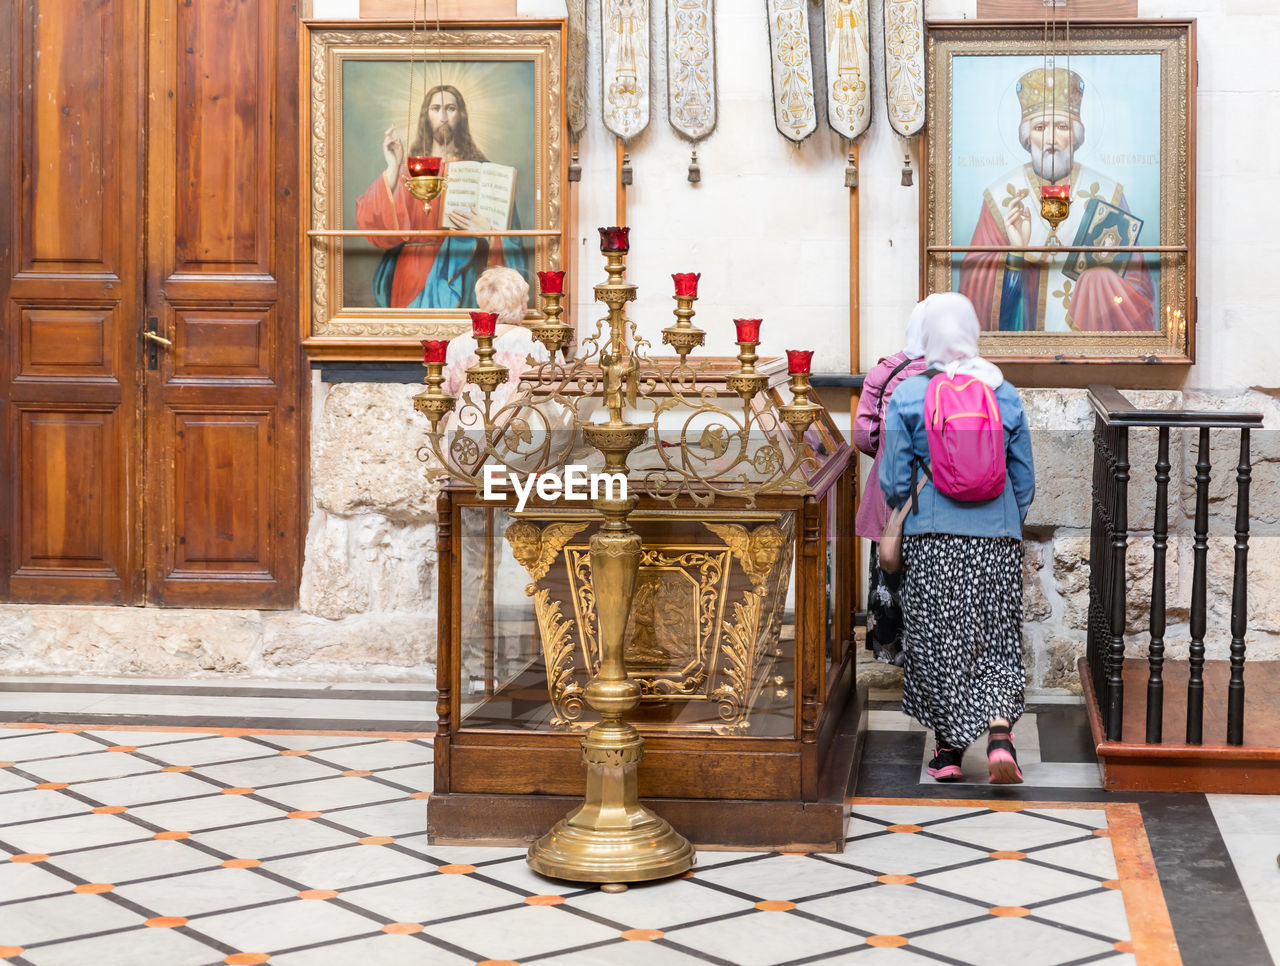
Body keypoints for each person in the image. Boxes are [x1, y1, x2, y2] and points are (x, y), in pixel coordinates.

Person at [878, 292, 1035, 783]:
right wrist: (1003, 518)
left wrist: (912, 510)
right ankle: (1000, 735)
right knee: (996, 640)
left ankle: (948, 753)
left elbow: (894, 481)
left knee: (939, 642)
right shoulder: (1003, 392)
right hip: (997, 539)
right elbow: (1024, 477)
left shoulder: (908, 394)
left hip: (932, 539)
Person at [958, 67, 1155, 333]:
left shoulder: (1108, 194)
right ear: (1027, 137)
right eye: (1040, 127)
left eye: (1062, 126)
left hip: (1089, 351)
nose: (1051, 139)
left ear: (1075, 136)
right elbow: (975, 290)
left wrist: (1099, 282)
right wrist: (1016, 255)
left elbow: (1137, 287)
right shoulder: (1001, 196)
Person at [354, 84, 529, 309]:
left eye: (451, 108)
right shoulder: (408, 171)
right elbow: (372, 224)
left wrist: (489, 232)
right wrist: (392, 166)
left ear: (462, 115)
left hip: (464, 273)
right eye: (436, 108)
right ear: (425, 116)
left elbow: (512, 241)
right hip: (413, 275)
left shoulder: (484, 172)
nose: (443, 117)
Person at [854, 297, 932, 666]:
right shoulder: (962, 374)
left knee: (891, 564)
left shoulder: (885, 373)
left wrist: (887, 451)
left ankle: (897, 655)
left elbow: (863, 436)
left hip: (894, 502)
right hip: (944, 502)